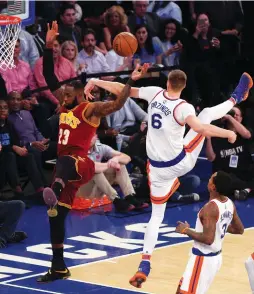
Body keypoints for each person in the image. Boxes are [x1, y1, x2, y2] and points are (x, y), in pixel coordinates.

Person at [85, 68, 253, 288]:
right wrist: (229, 133)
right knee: (206, 115)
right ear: (183, 87)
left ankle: (144, 264)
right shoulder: (184, 107)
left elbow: (121, 90)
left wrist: (95, 80)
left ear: (167, 84)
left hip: (155, 169)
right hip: (179, 162)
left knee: (156, 216)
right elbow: (201, 127)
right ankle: (236, 97)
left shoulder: (154, 93)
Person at [37, 21, 149, 283]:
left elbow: (120, 102)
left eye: (66, 92)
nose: (61, 94)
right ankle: (59, 266)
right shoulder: (65, 108)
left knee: (64, 160)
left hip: (80, 164)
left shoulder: (90, 109)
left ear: (78, 93)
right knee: (56, 217)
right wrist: (49, 44)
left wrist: (129, 81)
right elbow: (48, 76)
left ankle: (54, 188)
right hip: (66, 169)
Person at [175, 171, 244, 293]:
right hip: (212, 258)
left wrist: (185, 230)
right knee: (180, 290)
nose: (209, 179)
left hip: (203, 259)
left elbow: (208, 239)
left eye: (211, 178)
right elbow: (239, 229)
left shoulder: (210, 208)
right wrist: (218, 225)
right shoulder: (228, 203)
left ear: (213, 187)